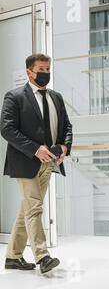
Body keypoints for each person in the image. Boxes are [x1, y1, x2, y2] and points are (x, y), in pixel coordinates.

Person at [1, 54, 73, 274]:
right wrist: (35, 149)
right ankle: (42, 257)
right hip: (26, 162)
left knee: (27, 210)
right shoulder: (14, 97)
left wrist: (64, 147)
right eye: (41, 69)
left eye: (48, 69)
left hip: (50, 162)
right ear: (29, 72)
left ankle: (13, 257)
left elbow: (67, 126)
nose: (46, 73)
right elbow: (7, 129)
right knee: (34, 208)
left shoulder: (56, 97)